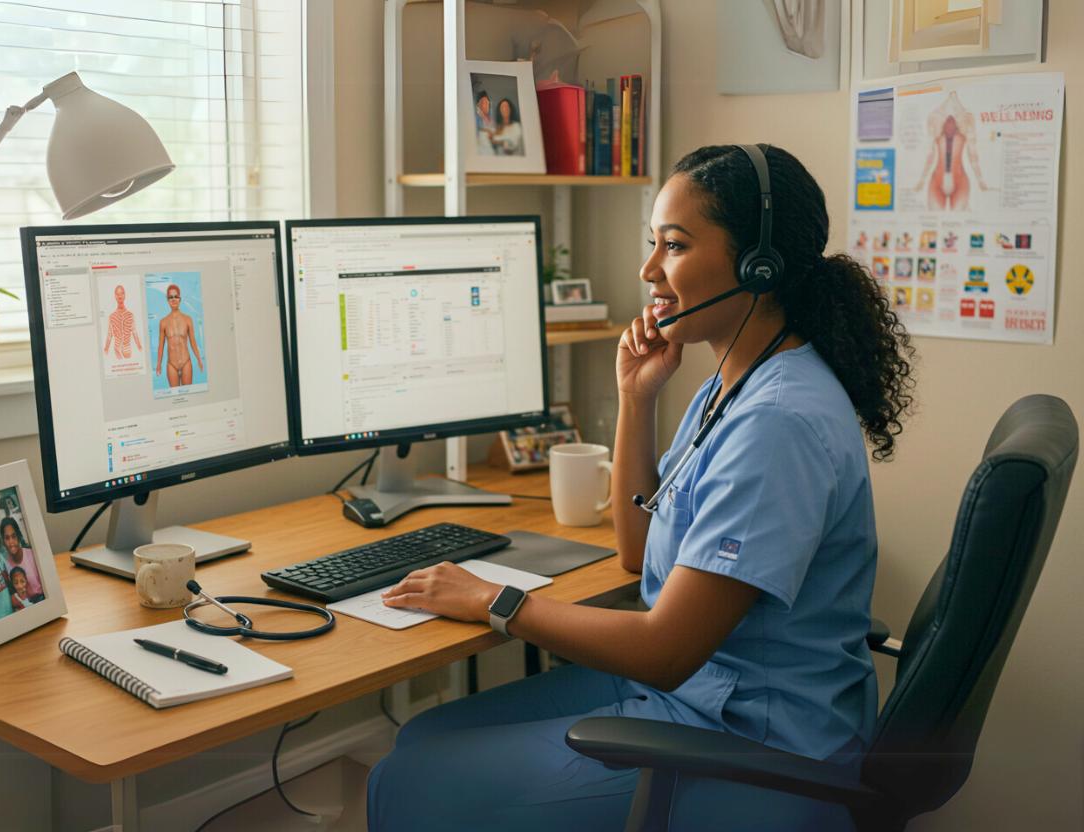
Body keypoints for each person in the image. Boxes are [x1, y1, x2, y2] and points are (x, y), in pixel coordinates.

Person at [367, 144, 915, 831]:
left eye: (675, 246)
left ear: (759, 265)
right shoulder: (735, 383)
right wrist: (637, 399)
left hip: (751, 740)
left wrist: (495, 601)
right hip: (697, 694)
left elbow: (665, 649)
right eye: (652, 243)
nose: (648, 269)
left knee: (406, 780)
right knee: (423, 737)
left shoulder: (777, 422)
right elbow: (638, 552)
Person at [155, 283, 204, 387]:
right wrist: (158, 364)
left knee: (188, 395)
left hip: (186, 362)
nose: (173, 299)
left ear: (180, 299)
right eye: (171, 297)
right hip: (171, 365)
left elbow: (193, 342)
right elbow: (161, 346)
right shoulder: (163, 322)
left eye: (176, 296)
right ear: (167, 300)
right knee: (175, 397)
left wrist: (199, 359)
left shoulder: (188, 319)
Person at [0, 516, 45, 604]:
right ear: (3, 541)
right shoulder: (6, 567)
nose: (11, 542)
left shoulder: (33, 555)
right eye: (7, 538)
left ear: (19, 536)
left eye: (14, 536)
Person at [103, 284, 142, 360]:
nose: (120, 296)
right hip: (116, 350)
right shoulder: (112, 316)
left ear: (125, 295)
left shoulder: (130, 315)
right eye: (117, 294)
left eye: (122, 293)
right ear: (115, 296)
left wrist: (139, 347)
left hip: (128, 350)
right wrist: (106, 349)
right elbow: (109, 334)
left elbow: (134, 332)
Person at [474, 89, 495, 154]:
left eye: (487, 102)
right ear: (478, 105)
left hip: (491, 151)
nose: (487, 105)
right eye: (484, 102)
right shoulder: (476, 118)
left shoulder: (491, 119)